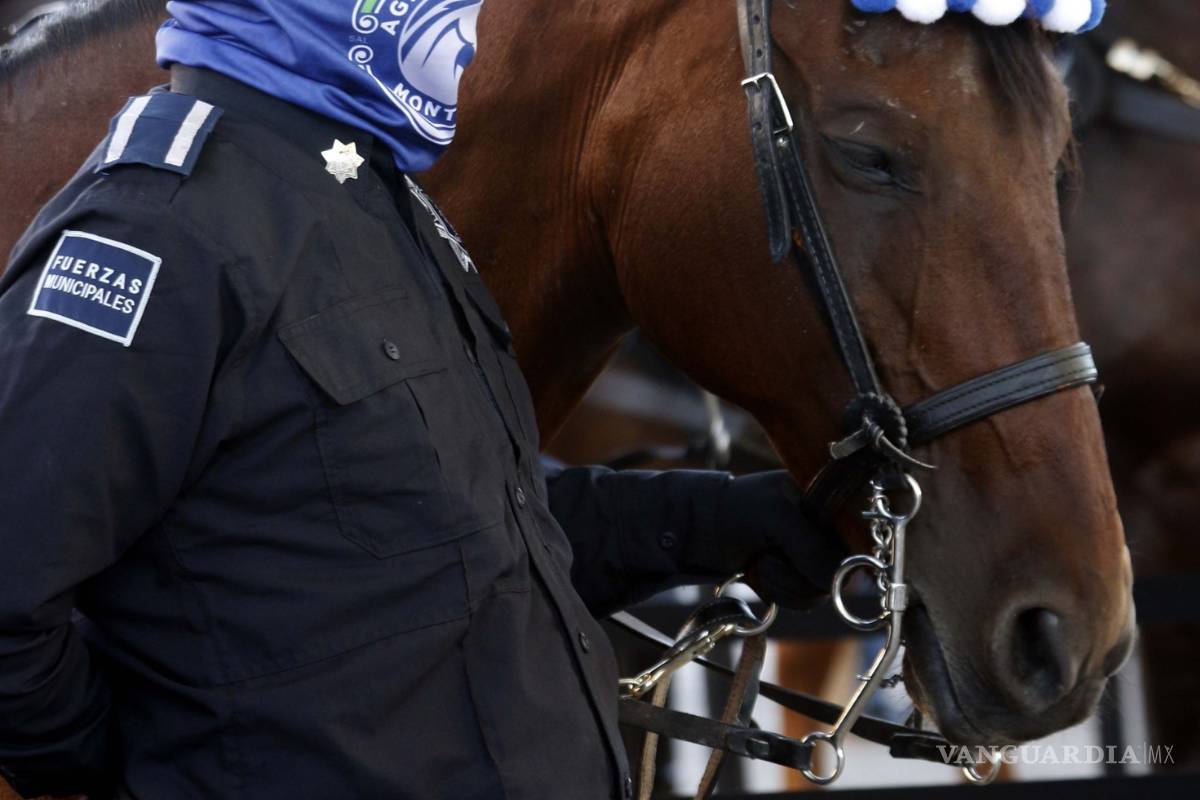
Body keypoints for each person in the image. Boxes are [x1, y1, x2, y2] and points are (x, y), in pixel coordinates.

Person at [0, 2, 846, 797]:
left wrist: (728, 523)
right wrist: (135, 767)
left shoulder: (378, 196)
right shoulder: (160, 227)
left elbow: (457, 531)